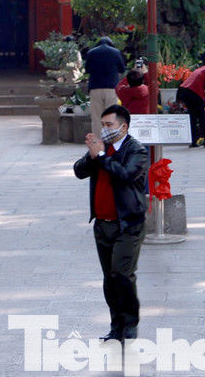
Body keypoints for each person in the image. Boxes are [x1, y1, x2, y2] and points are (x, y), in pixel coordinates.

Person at [72, 105, 148, 342]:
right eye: (102, 125)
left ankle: (130, 322)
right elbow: (79, 171)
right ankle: (116, 325)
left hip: (128, 224)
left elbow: (125, 174)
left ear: (123, 126)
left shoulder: (136, 150)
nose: (104, 130)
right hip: (102, 224)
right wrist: (94, 156)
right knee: (109, 278)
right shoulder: (100, 149)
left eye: (109, 125)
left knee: (121, 273)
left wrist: (103, 156)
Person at [84, 37, 125, 125]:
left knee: (96, 117)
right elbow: (122, 69)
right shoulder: (115, 52)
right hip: (111, 87)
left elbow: (87, 70)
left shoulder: (91, 53)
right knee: (111, 115)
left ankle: (98, 138)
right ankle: (111, 137)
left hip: (95, 87)